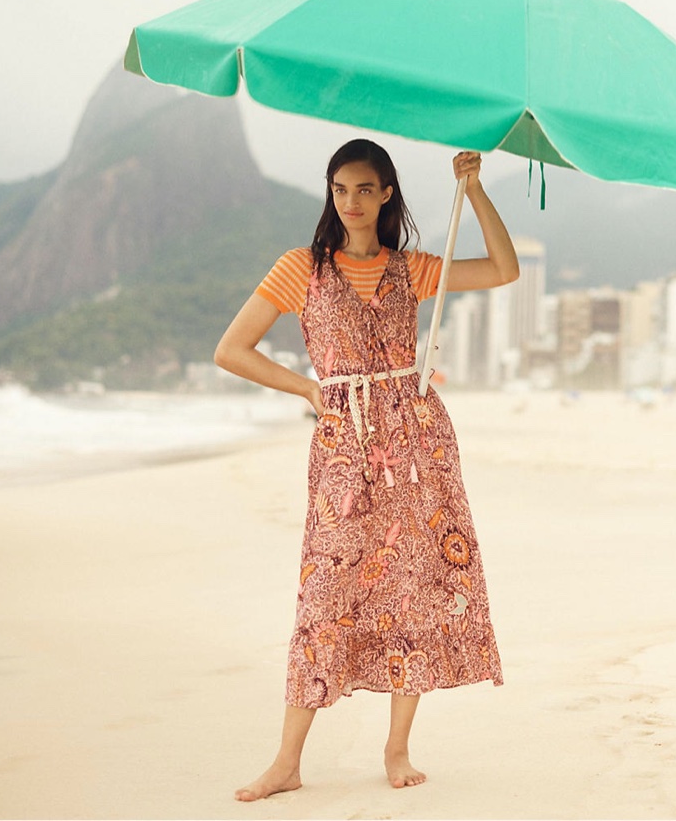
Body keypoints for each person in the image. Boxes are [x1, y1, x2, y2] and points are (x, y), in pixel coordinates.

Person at [214, 138, 519, 801]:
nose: (350, 201)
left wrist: (474, 190)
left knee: (412, 587)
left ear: (386, 195)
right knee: (325, 596)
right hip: (343, 445)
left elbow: (502, 269)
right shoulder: (301, 268)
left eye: (363, 189)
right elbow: (232, 349)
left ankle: (397, 748)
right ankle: (288, 760)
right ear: (331, 194)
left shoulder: (411, 267)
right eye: (340, 188)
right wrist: (303, 388)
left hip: (416, 442)